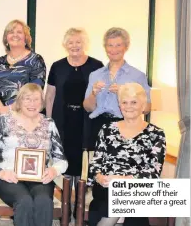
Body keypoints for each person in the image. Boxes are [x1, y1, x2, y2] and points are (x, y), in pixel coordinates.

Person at [0, 83, 68, 226]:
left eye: (36, 99)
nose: (32, 104)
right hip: (8, 177)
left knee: (43, 201)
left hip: (40, 178)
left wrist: (53, 170)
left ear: (42, 102)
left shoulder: (49, 123)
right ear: (19, 101)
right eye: (27, 99)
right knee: (24, 201)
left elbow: (61, 160)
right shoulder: (4, 121)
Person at [45, 28, 104, 219]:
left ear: (84, 43)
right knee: (64, 162)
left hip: (87, 121)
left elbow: (100, 96)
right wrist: (47, 119)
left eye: (78, 42)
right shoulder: (57, 66)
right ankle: (66, 209)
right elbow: (50, 95)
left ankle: (79, 208)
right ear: (65, 44)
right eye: (70, 42)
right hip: (63, 120)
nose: (74, 46)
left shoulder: (97, 66)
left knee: (82, 164)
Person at [86, 83, 166, 226]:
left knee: (125, 200)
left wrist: (124, 180)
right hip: (106, 187)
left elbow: (153, 171)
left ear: (143, 106)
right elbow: (95, 163)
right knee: (114, 201)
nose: (129, 106)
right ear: (120, 105)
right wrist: (99, 176)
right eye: (124, 102)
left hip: (136, 188)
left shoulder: (156, 134)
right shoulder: (107, 129)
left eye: (134, 102)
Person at [83, 27, 151, 150]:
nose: (114, 49)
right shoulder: (95, 74)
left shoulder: (137, 75)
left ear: (126, 47)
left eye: (118, 45)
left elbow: (147, 108)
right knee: (97, 168)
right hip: (97, 127)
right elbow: (88, 107)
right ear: (105, 48)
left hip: (126, 126)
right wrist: (93, 93)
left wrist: (127, 93)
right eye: (110, 45)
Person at [0, 20, 46, 116]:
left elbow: (34, 90)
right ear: (6, 38)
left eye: (19, 32)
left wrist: (9, 109)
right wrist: (0, 109)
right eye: (11, 32)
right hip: (2, 117)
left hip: (27, 117)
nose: (15, 35)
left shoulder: (36, 60)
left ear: (26, 38)